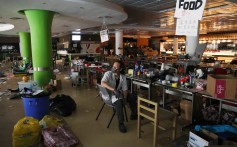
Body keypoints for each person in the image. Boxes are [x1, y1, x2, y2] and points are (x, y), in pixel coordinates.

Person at [101, 60, 137, 133]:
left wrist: (125, 99)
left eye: (116, 68)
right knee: (119, 102)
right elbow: (102, 83)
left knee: (132, 96)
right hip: (108, 95)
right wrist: (113, 90)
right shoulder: (108, 73)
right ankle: (121, 123)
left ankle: (134, 114)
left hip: (117, 93)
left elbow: (125, 90)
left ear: (120, 69)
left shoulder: (122, 77)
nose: (113, 69)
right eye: (113, 67)